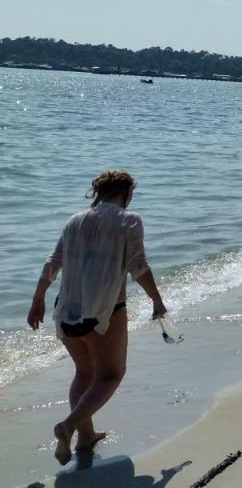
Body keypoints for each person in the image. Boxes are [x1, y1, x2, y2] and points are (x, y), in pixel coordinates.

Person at [26, 169, 168, 465]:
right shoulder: (129, 220)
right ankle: (68, 426)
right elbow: (138, 266)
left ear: (97, 193)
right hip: (104, 313)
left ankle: (86, 435)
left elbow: (52, 263)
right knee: (110, 375)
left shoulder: (74, 220)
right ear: (126, 193)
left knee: (84, 373)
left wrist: (37, 299)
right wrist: (157, 300)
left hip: (65, 311)